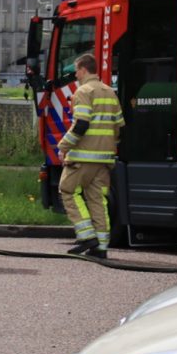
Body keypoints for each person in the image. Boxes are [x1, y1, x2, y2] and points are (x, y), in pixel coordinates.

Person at [58, 53, 124, 259]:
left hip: (83, 157)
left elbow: (82, 123)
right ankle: (102, 247)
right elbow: (119, 127)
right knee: (98, 201)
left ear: (83, 70)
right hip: (104, 159)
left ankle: (86, 236)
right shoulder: (110, 93)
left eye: (76, 70)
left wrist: (63, 146)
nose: (75, 75)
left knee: (67, 190)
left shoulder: (83, 91)